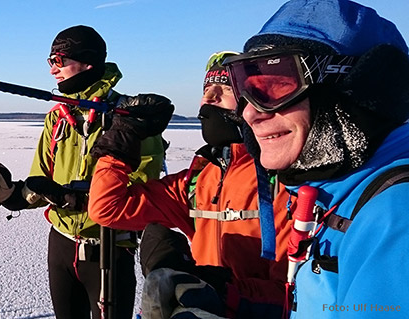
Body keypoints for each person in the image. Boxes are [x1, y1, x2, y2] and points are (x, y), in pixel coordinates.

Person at [224, 0, 409, 317]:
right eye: (245, 88)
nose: (249, 112)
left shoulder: (396, 215)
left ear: (363, 88)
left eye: (276, 85)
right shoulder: (339, 197)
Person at [0, 25, 170, 319]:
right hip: (61, 246)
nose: (53, 69)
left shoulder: (131, 119)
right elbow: (42, 182)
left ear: (88, 61)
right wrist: (9, 194)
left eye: (59, 60)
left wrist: (74, 199)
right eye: (50, 61)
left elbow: (141, 192)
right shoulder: (57, 118)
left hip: (108, 248)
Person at [87, 51, 293, 318]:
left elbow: (293, 297)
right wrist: (123, 139)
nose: (208, 99)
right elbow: (107, 208)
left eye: (223, 89)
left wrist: (219, 291)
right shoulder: (196, 180)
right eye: (206, 89)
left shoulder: (282, 183)